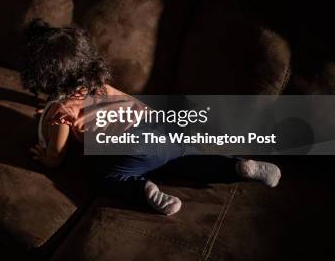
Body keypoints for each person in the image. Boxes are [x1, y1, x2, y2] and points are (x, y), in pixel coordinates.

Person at [21, 19, 281, 216]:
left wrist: (46, 156)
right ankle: (238, 167)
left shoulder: (61, 111)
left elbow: (56, 157)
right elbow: (132, 107)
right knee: (184, 159)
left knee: (105, 178)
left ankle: (144, 190)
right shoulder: (101, 84)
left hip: (132, 146)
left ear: (46, 82)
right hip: (159, 127)